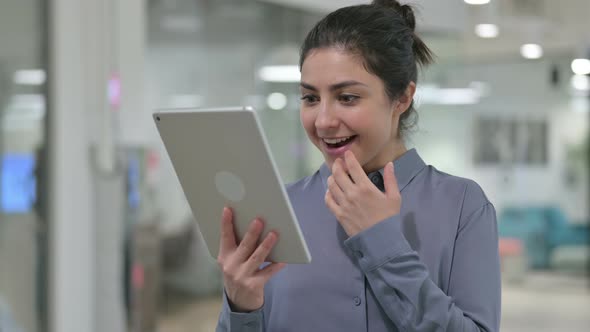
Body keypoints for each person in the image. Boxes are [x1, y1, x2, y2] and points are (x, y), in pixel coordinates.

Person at [215, 0, 501, 331]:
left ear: (402, 98)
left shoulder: (463, 206)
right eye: (310, 98)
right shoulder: (277, 210)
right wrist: (240, 308)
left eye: (347, 97)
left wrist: (380, 240)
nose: (323, 121)